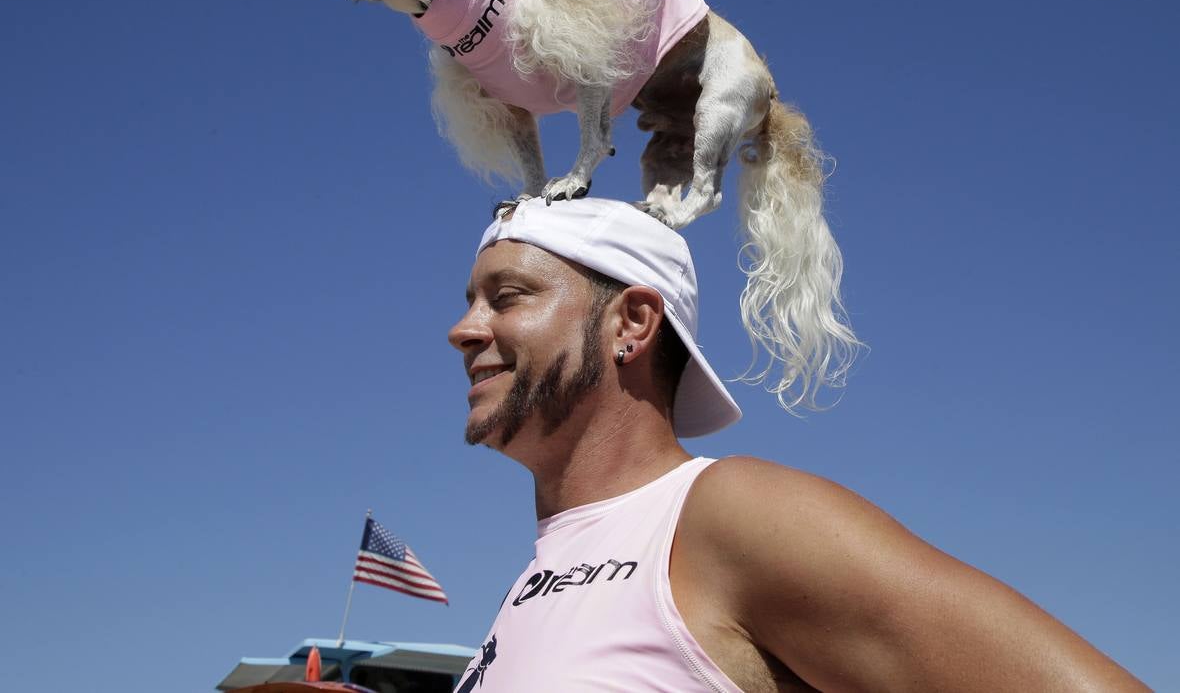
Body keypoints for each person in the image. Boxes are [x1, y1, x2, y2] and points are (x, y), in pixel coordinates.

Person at [447, 197, 1146, 691]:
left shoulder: (726, 515)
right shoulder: (533, 580)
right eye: (472, 301)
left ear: (631, 322)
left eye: (507, 298)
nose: (465, 329)